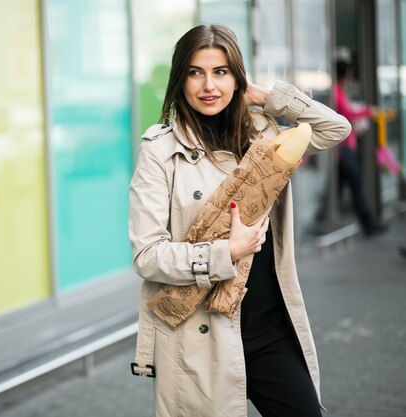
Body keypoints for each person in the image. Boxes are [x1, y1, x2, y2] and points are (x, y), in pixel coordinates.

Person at [128, 24, 350, 417]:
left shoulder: (262, 134)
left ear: (237, 77)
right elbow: (147, 255)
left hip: (269, 328)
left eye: (221, 71)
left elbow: (336, 128)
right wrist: (225, 251)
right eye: (196, 72)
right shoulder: (160, 152)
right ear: (180, 79)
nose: (208, 85)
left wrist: (271, 98)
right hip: (200, 338)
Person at [333, 56, 387, 236]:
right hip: (342, 148)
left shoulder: (339, 91)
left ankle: (333, 216)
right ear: (344, 75)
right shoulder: (336, 92)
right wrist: (368, 111)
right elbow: (347, 112)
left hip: (344, 146)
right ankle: (368, 224)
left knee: (339, 186)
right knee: (355, 181)